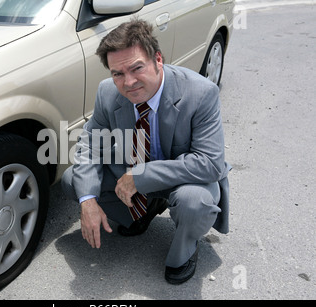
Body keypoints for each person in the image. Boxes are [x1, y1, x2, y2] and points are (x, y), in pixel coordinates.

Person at [61, 18, 230, 285]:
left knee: (194, 203)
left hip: (182, 179)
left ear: (158, 59)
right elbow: (89, 146)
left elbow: (210, 164)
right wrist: (88, 202)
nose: (128, 82)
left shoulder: (201, 93)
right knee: (75, 182)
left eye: (136, 68)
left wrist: (140, 176)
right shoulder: (107, 92)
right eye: (118, 73)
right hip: (133, 168)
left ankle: (186, 247)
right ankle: (141, 211)